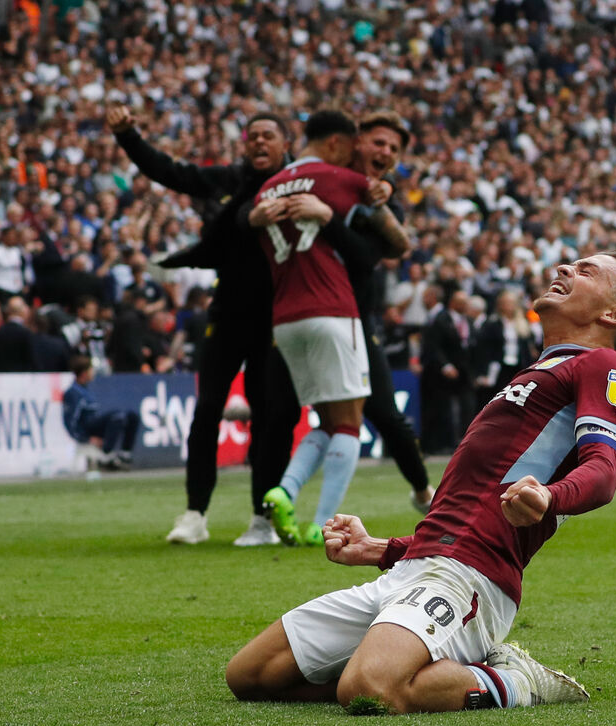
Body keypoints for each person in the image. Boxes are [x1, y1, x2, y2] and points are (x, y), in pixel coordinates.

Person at [225, 250, 616, 716]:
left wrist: (549, 496)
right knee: (250, 675)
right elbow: (465, 514)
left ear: (613, 314)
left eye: (586, 271)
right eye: (570, 264)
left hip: (472, 579)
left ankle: (516, 680)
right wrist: (379, 549)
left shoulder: (603, 365)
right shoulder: (537, 374)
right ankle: (416, 662)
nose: (564, 270)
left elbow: (604, 471)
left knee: (369, 687)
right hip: (414, 570)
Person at [107, 105, 300, 546]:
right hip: (227, 315)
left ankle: (261, 519)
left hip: (276, 320)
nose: (258, 141)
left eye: (268, 134)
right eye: (252, 135)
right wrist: (128, 138)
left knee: (269, 416)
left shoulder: (299, 187)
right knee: (206, 408)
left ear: (285, 143)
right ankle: (195, 514)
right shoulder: (230, 181)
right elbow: (171, 173)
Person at [247, 109, 398, 546]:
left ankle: (284, 489)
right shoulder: (337, 179)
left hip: (286, 318)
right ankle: (323, 523)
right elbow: (389, 231)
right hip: (331, 309)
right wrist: (382, 189)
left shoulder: (270, 186)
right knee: (350, 422)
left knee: (326, 420)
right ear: (335, 144)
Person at [307, 109, 436, 513]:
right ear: (357, 141)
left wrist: (333, 218)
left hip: (356, 317)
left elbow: (366, 259)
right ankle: (265, 511)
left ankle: (422, 490)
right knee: (282, 411)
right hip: (300, 309)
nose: (384, 151)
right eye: (378, 142)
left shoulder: (386, 207)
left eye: (393, 149)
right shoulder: (321, 177)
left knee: (382, 410)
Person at [421, 288, 476, 455]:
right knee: (443, 407)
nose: (466, 305)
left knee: (468, 406)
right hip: (443, 373)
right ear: (453, 303)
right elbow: (434, 346)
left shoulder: (468, 320)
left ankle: (465, 441)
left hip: (465, 371)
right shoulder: (441, 319)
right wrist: (445, 365)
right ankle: (441, 443)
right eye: (462, 302)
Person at [62, 354, 140, 469]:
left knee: (132, 416)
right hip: (87, 428)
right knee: (117, 417)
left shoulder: (85, 390)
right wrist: (86, 439)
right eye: (91, 370)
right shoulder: (73, 393)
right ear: (84, 373)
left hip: (94, 424)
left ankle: (125, 454)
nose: (93, 373)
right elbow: (70, 422)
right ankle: (106, 456)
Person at [474, 289, 539, 406]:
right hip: (498, 367)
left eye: (510, 303)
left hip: (518, 366)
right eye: (505, 303)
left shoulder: (522, 324)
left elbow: (528, 347)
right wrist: (482, 372)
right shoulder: (492, 323)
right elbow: (484, 349)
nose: (508, 306)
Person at [0, 295, 37, 372]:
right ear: (22, 311)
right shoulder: (26, 333)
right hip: (22, 380)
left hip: (0, 380)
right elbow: (32, 361)